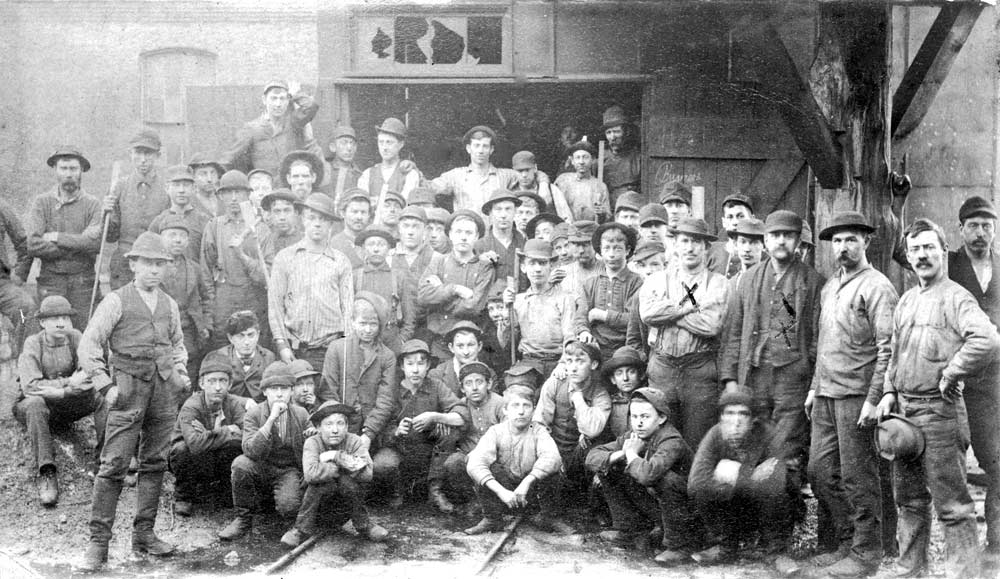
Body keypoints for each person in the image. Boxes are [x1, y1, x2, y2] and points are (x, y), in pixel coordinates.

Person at [874, 218, 1000, 578]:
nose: (921, 255)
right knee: (910, 500)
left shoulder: (957, 297)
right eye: (915, 249)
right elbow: (894, 353)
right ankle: (910, 569)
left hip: (940, 413)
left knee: (953, 506)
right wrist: (888, 392)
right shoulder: (907, 300)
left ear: (944, 251)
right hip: (905, 415)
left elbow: (988, 339)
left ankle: (964, 574)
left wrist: (952, 371)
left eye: (929, 247)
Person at [78, 232, 190, 571]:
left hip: (163, 393)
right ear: (133, 265)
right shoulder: (116, 301)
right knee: (113, 465)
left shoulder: (170, 304)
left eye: (160, 264)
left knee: (155, 463)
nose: (154, 270)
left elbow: (177, 345)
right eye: (148, 263)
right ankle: (98, 544)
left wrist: (180, 372)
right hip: (127, 391)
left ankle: (144, 535)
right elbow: (89, 345)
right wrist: (105, 385)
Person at [804, 211, 898, 576]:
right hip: (826, 395)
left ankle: (866, 552)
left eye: (851, 240)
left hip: (857, 397)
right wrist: (814, 388)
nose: (843, 247)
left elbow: (888, 350)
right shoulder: (831, 286)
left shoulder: (878, 287)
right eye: (838, 241)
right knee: (820, 472)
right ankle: (847, 542)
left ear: (866, 242)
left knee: (858, 478)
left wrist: (874, 399)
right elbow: (823, 345)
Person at [719, 210, 824, 508]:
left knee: (786, 449)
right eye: (775, 235)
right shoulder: (749, 279)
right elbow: (734, 332)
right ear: (765, 240)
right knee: (752, 444)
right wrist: (730, 379)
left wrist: (809, 376)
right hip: (754, 375)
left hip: (792, 379)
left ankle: (783, 522)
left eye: (788, 236)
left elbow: (817, 337)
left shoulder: (813, 282)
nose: (781, 241)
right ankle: (754, 521)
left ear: (798, 241)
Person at [586, 387, 700, 566]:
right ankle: (631, 530)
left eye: (645, 417)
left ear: (661, 418)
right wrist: (620, 454)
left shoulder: (671, 440)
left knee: (666, 479)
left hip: (689, 514)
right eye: (634, 416)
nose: (638, 423)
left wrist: (631, 454)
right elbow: (592, 456)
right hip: (662, 507)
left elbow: (649, 475)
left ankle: (679, 546)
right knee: (609, 465)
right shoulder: (634, 436)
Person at [640, 217, 728, 449]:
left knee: (697, 441)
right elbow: (648, 314)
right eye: (685, 241)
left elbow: (711, 325)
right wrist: (689, 308)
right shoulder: (657, 279)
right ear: (675, 245)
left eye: (696, 242)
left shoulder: (718, 283)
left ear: (706, 247)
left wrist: (668, 312)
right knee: (661, 439)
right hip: (663, 368)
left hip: (700, 372)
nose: (690, 248)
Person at [13, 295, 104, 507]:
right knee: (35, 403)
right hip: (36, 408)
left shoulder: (76, 337)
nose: (61, 323)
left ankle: (104, 462)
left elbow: (91, 375)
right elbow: (31, 387)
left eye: (65, 318)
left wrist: (62, 392)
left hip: (66, 403)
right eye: (54, 318)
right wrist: (69, 382)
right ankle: (47, 472)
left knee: (102, 395)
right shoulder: (33, 343)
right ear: (42, 322)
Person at [947, 195, 1000, 559]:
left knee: (996, 459)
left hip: (994, 381)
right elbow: (904, 250)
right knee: (947, 463)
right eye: (973, 226)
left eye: (987, 226)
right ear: (961, 229)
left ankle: (996, 543)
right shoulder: (948, 264)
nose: (980, 233)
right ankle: (959, 548)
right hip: (954, 378)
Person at [687, 389, 796, 565]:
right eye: (729, 413)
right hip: (733, 506)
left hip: (764, 508)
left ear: (753, 419)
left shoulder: (768, 434)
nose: (736, 421)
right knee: (704, 492)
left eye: (743, 414)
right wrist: (747, 475)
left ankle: (776, 552)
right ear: (721, 417)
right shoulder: (715, 435)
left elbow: (778, 481)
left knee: (778, 493)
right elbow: (696, 483)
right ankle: (726, 548)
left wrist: (736, 474)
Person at [373, 339, 469, 511]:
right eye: (410, 364)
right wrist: (396, 431)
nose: (415, 369)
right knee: (383, 464)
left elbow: (462, 414)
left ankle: (435, 491)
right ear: (402, 366)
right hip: (400, 450)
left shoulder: (436, 386)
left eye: (421, 363)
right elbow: (380, 423)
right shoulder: (392, 390)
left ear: (428, 366)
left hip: (429, 453)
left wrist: (436, 417)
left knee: (450, 432)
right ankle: (397, 491)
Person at [219, 362, 309, 541]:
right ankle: (243, 519)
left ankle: (289, 521)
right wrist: (271, 420)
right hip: (260, 465)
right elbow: (250, 450)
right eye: (274, 389)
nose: (279, 394)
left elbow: (310, 447)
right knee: (240, 464)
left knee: (289, 507)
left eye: (284, 388)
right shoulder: (254, 414)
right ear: (265, 391)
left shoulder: (301, 414)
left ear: (292, 391)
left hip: (287, 470)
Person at [281, 401, 388, 547]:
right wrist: (345, 466)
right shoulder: (312, 443)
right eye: (328, 424)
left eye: (340, 423)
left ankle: (364, 525)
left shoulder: (355, 441)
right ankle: (300, 530)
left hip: (345, 508)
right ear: (318, 427)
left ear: (347, 426)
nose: (335, 430)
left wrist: (335, 456)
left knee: (347, 482)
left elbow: (367, 474)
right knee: (319, 484)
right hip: (317, 509)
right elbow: (310, 474)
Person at [269, 193, 354, 371]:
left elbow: (347, 308)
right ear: (302, 219)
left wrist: (346, 346)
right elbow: (275, 306)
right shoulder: (285, 258)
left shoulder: (340, 261)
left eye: (323, 219)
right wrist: (282, 345)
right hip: (294, 349)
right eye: (311, 217)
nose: (317, 223)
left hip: (329, 349)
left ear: (330, 224)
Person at [464, 384, 565, 535]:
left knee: (552, 469)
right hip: (504, 492)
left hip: (529, 493)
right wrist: (501, 492)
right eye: (515, 405)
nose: (521, 411)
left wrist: (527, 482)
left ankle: (547, 517)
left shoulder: (538, 431)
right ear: (505, 410)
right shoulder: (496, 431)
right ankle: (492, 518)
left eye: (526, 406)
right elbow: (475, 462)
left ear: (533, 410)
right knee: (485, 468)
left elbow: (553, 457)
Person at [27, 147, 103, 331]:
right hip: (51, 280)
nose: (68, 174)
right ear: (55, 170)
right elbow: (33, 244)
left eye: (73, 168)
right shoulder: (42, 202)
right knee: (49, 331)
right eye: (63, 168)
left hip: (83, 280)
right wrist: (77, 245)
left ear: (81, 170)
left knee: (86, 331)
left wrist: (56, 237)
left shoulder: (93, 204)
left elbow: (94, 244)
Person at [169, 357, 251, 517]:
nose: (218, 387)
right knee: (182, 449)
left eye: (222, 381)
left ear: (230, 384)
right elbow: (195, 444)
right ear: (202, 383)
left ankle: (224, 491)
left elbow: (247, 435)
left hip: (215, 458)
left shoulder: (233, 404)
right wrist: (227, 430)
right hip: (192, 460)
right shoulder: (191, 406)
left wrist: (207, 435)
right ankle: (184, 495)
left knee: (236, 447)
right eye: (212, 381)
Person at [533, 340, 612, 503]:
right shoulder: (555, 383)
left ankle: (585, 502)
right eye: (569, 361)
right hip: (553, 448)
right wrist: (552, 455)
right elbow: (540, 423)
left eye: (580, 361)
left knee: (591, 444)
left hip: (578, 455)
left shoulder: (600, 394)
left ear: (593, 364)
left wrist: (577, 397)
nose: (573, 368)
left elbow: (592, 430)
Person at [200, 170, 268, 350]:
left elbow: (266, 275)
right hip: (224, 301)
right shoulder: (214, 227)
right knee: (222, 347)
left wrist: (242, 256)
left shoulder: (260, 229)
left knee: (254, 348)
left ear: (248, 195)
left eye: (239, 192)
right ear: (221, 196)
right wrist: (211, 310)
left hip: (253, 299)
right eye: (228, 192)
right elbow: (206, 273)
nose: (234, 198)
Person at [320, 292, 397, 448]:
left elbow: (385, 400)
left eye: (373, 324)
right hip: (340, 429)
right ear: (352, 322)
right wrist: (338, 427)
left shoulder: (387, 356)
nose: (368, 330)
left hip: (373, 431)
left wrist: (369, 434)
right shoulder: (337, 348)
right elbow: (328, 391)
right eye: (362, 323)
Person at [416, 210, 494, 360]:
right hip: (441, 343)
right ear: (450, 235)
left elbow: (473, 307)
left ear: (477, 236)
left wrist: (440, 293)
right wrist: (454, 289)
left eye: (469, 233)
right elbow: (423, 297)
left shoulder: (484, 267)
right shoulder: (439, 262)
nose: (463, 237)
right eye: (458, 232)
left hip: (471, 344)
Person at [106, 129, 171, 289]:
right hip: (124, 262)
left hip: (154, 262)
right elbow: (110, 236)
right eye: (138, 153)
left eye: (148, 153)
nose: (143, 159)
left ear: (158, 156)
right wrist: (106, 213)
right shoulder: (119, 187)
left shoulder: (167, 189)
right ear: (131, 154)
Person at [504, 239, 577, 378]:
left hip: (558, 361)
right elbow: (505, 342)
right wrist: (507, 310)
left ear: (551, 266)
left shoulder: (564, 299)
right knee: (518, 389)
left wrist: (563, 363)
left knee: (560, 389)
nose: (537, 269)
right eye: (532, 263)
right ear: (523, 267)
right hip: (528, 363)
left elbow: (570, 337)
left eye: (542, 263)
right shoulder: (518, 301)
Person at [219, 79, 321, 177]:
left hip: (290, 185)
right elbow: (229, 159)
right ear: (264, 100)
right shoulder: (252, 129)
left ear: (288, 100)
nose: (278, 104)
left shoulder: (293, 122)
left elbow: (311, 107)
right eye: (273, 98)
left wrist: (296, 94)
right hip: (265, 185)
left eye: (282, 99)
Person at [442, 361, 506, 506]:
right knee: (453, 463)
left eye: (479, 382)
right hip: (467, 456)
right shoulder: (461, 405)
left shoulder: (500, 404)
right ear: (462, 388)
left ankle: (495, 505)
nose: (475, 388)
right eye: (468, 383)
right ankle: (472, 502)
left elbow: (507, 435)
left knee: (497, 471)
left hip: (494, 457)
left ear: (489, 384)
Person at [575, 222, 642, 361]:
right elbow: (581, 315)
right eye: (606, 248)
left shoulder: (636, 282)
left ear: (627, 250)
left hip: (626, 349)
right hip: (595, 347)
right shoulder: (590, 283)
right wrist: (583, 331)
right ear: (600, 252)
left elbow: (633, 320)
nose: (611, 254)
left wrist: (603, 316)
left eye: (617, 249)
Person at [157, 213, 212, 383]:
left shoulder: (195, 268)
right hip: (160, 332)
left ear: (188, 241)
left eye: (182, 236)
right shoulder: (153, 269)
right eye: (172, 235)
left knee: (189, 376)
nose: (178, 240)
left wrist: (206, 324)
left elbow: (207, 298)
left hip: (189, 332)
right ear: (161, 238)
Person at [430, 125, 518, 215]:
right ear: (468, 148)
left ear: (491, 149)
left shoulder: (506, 176)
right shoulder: (455, 176)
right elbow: (429, 188)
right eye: (476, 146)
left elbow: (525, 179)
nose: (480, 151)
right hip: (466, 223)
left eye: (485, 146)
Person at [354, 224, 414, 353]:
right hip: (361, 341)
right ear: (363, 248)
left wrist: (401, 341)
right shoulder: (355, 276)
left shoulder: (398, 277)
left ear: (388, 249)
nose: (376, 249)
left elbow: (409, 317)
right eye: (371, 244)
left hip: (390, 342)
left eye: (381, 244)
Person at [203, 310, 276, 402]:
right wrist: (243, 402)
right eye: (240, 336)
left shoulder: (268, 357)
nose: (246, 342)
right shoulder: (219, 357)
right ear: (230, 338)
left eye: (251, 335)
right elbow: (211, 392)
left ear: (257, 335)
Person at [148, 164, 210, 262]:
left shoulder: (204, 221)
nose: (181, 190)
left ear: (194, 188)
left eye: (186, 185)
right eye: (176, 185)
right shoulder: (159, 221)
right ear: (167, 188)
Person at [358, 118, 420, 213]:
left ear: (401, 144)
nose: (384, 148)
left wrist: (375, 202)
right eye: (381, 142)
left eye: (389, 142)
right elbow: (362, 205)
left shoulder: (409, 174)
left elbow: (405, 205)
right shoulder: (368, 174)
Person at [0, 197, 35, 350]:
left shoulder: (1, 206)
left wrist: (20, 274)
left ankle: (24, 357)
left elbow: (24, 243)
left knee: (25, 308)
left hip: (2, 286)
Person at [428, 320, 497, 397]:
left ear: (479, 346)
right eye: (460, 346)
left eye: (470, 345)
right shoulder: (437, 375)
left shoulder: (489, 374)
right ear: (451, 347)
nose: (466, 352)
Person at [625, 240, 667, 355]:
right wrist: (644, 358)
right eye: (642, 266)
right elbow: (633, 339)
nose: (648, 271)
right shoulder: (639, 296)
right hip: (653, 359)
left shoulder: (677, 291)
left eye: (654, 264)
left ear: (665, 266)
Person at [477, 189, 526, 286]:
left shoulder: (524, 244)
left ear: (515, 212)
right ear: (490, 213)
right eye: (498, 209)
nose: (503, 215)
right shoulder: (479, 246)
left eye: (508, 209)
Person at [555, 141, 611, 223]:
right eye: (577, 157)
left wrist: (602, 213)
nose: (581, 162)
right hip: (568, 227)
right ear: (572, 161)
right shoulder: (563, 180)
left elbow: (608, 216)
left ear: (593, 160)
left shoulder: (600, 186)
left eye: (585, 157)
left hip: (591, 228)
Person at [511, 150, 572, 222]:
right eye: (520, 171)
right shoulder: (510, 190)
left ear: (535, 168)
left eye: (527, 170)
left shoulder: (551, 190)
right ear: (513, 171)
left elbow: (566, 218)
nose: (524, 175)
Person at [601, 106, 642, 205]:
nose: (612, 137)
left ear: (626, 132)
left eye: (617, 131)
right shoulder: (600, 161)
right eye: (608, 132)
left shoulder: (638, 158)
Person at [707, 193, 754, 279]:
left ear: (752, 219)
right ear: (724, 222)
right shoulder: (710, 251)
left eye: (741, 216)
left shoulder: (761, 255)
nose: (735, 222)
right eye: (730, 217)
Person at [603, 346, 647, 438]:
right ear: (613, 379)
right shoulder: (610, 403)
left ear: (641, 375)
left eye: (631, 372)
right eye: (619, 373)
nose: (625, 378)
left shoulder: (649, 401)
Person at [319, 126, 363, 214]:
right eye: (344, 143)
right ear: (333, 147)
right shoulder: (325, 170)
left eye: (352, 143)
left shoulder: (361, 176)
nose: (349, 148)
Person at [329, 188, 372, 268]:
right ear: (343, 213)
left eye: (363, 212)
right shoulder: (335, 244)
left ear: (369, 215)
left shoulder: (374, 241)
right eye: (354, 212)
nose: (359, 217)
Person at [259, 188, 302, 267]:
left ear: (296, 213)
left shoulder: (305, 240)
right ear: (270, 214)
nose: (282, 217)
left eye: (287, 210)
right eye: (277, 211)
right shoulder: (266, 242)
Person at [188, 153, 225, 217]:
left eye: (213, 173)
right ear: (193, 177)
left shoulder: (225, 201)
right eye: (203, 174)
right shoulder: (188, 204)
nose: (209, 179)